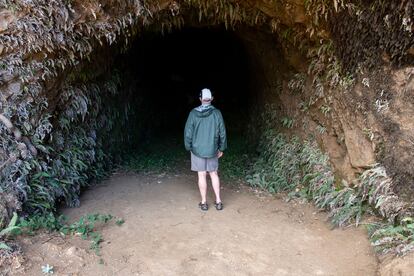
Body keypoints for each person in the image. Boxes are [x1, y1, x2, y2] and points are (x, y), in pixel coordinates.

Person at [184, 88, 227, 211]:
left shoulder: (193, 113)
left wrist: (189, 146)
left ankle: (204, 203)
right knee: (214, 174)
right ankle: (218, 201)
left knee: (201, 175)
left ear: (200, 99)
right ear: (211, 99)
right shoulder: (217, 113)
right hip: (212, 148)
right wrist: (222, 147)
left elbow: (188, 133)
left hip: (197, 150)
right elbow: (222, 132)